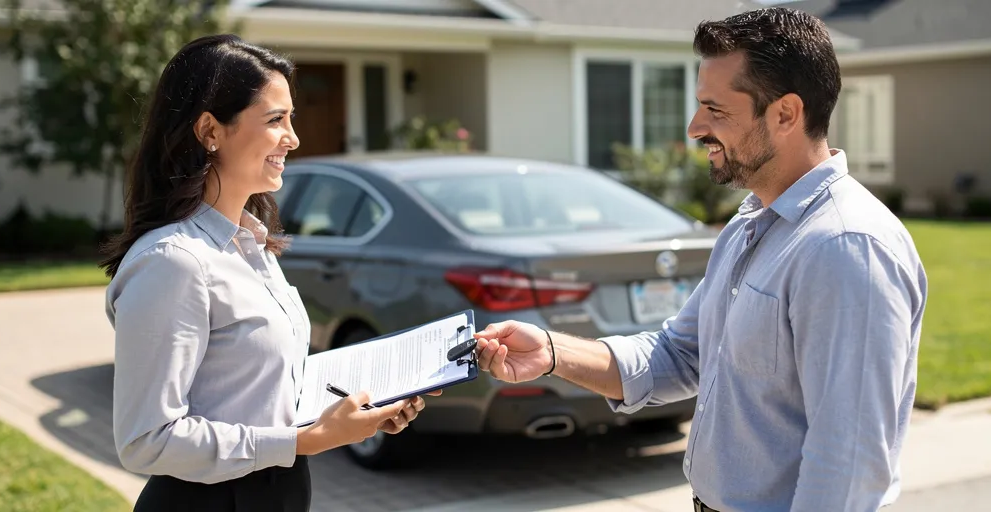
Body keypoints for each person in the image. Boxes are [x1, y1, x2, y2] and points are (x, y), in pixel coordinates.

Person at [473, 8, 927, 512]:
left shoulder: (846, 248)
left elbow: (849, 466)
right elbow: (679, 356)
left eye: (715, 109)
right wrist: (553, 352)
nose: (694, 128)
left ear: (785, 114)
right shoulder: (751, 224)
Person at [99, 34, 435, 512]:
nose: (293, 138)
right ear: (210, 131)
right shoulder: (173, 262)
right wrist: (304, 441)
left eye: (290, 118)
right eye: (276, 119)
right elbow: (146, 440)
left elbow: (259, 392)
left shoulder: (253, 244)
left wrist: (351, 414)